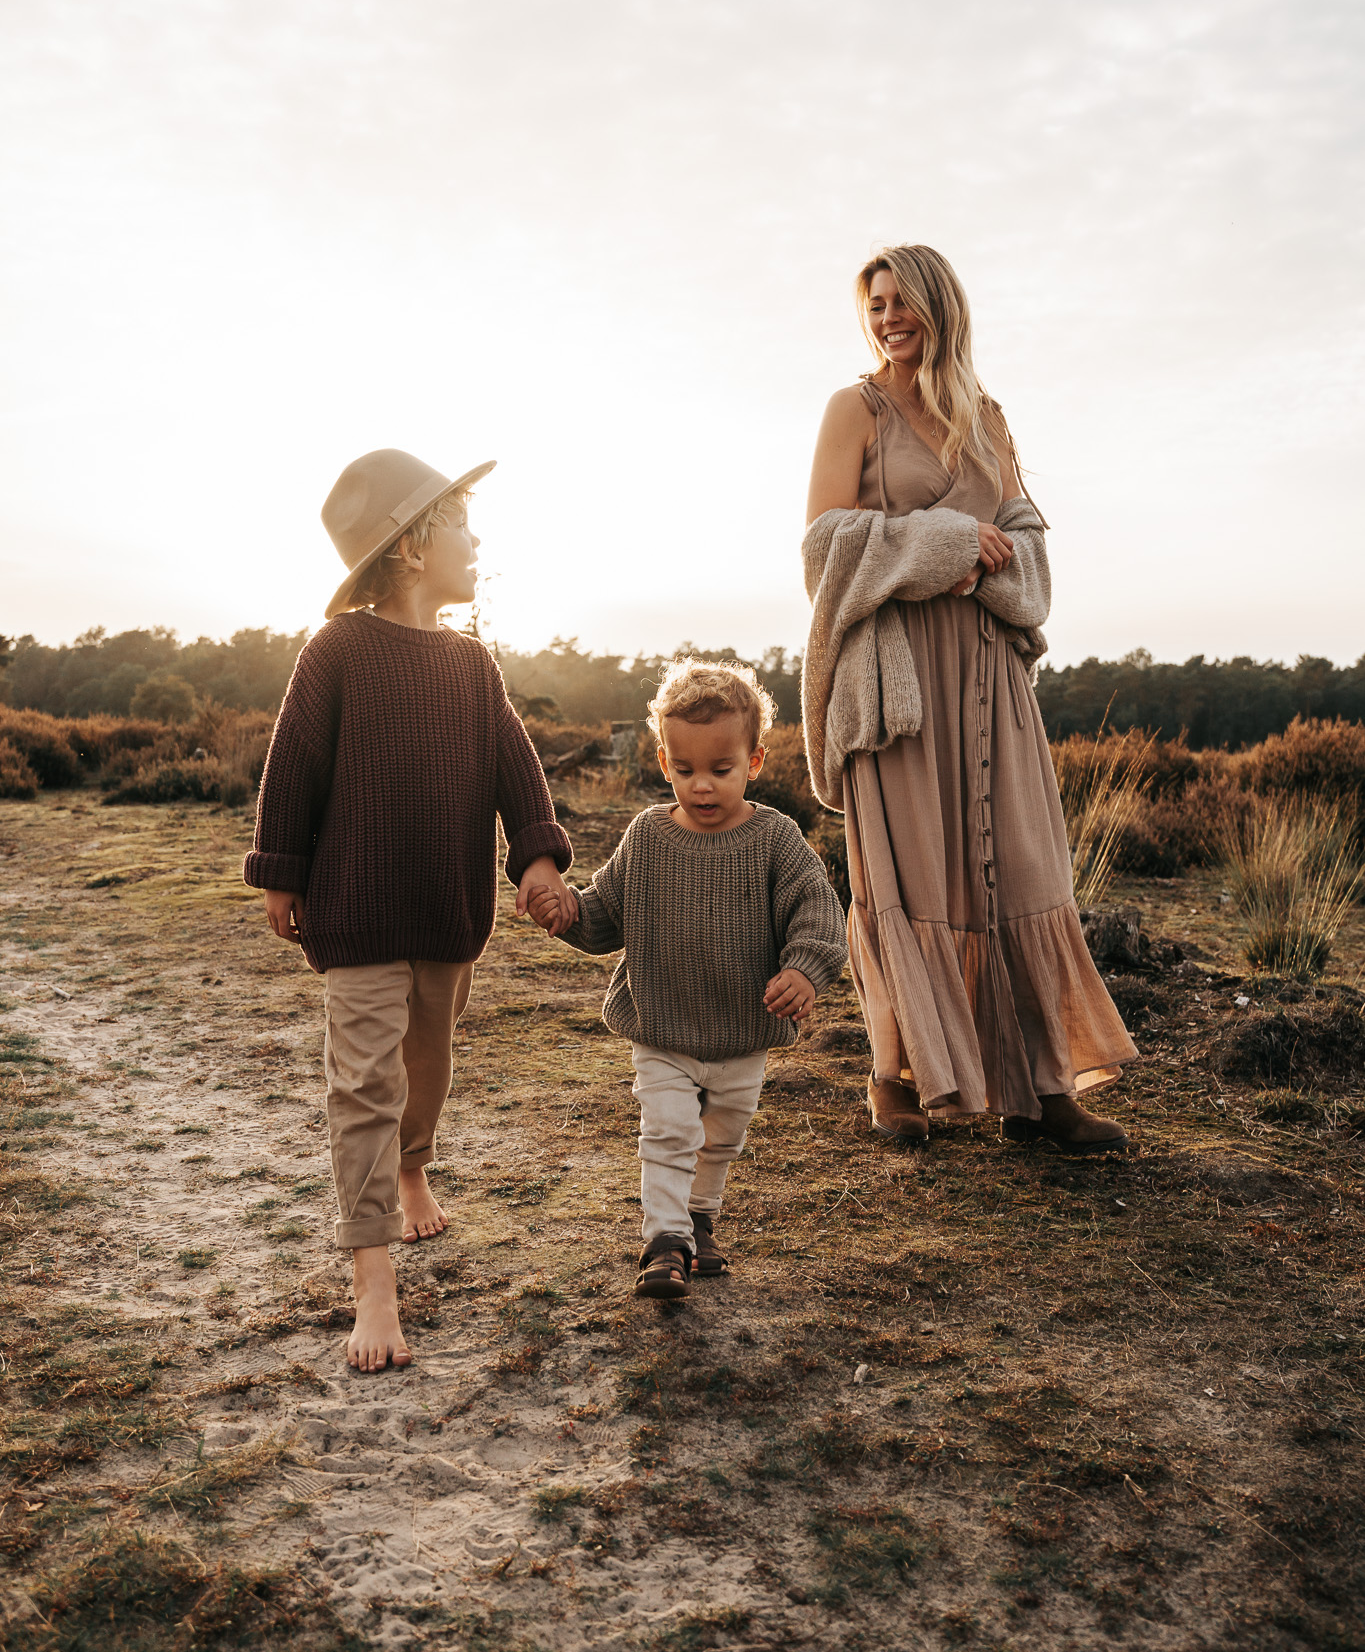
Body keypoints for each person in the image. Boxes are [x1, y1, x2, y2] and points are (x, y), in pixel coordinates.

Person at [243, 448, 575, 1371]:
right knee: (363, 1089)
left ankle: (413, 1162)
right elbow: (293, 768)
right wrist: (280, 870)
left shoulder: (473, 665)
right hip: (353, 913)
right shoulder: (337, 653)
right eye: (463, 526)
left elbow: (519, 773)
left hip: (446, 913)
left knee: (426, 1068)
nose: (478, 542)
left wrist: (539, 861)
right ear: (414, 547)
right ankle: (373, 1284)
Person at [803, 245, 1137, 1153]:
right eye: (874, 305)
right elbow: (824, 545)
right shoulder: (854, 409)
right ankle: (891, 1079)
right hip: (902, 681)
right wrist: (947, 542)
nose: (887, 318)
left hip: (991, 677)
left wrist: (992, 562)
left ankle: (1042, 1085)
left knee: (1024, 870)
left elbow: (1026, 533)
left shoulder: (986, 417)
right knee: (910, 878)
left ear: (940, 306)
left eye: (902, 301)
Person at [527, 659, 846, 1298]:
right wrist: (567, 912)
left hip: (742, 1030)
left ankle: (700, 1220)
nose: (701, 786)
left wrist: (804, 971)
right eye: (684, 770)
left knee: (722, 1137)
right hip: (663, 1024)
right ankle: (664, 1242)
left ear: (754, 762)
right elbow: (603, 916)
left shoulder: (776, 839)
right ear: (664, 759)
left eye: (720, 771)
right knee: (669, 1131)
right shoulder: (647, 836)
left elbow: (818, 910)